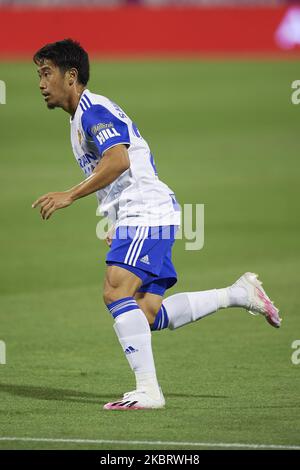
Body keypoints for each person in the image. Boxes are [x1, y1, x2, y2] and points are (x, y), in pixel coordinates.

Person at [32, 39, 281, 411]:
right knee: (145, 312)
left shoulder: (91, 112)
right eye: (39, 75)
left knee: (115, 291)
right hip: (145, 212)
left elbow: (118, 161)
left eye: (46, 73)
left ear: (71, 76)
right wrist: (115, 221)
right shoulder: (79, 117)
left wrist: (69, 195)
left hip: (146, 210)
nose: (40, 83)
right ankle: (239, 294)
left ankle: (148, 390)